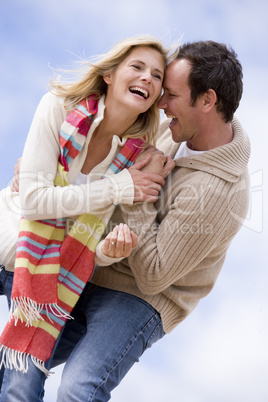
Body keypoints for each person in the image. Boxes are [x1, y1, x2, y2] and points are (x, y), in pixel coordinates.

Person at [3, 39, 251, 402]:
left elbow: (154, 274)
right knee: (15, 367)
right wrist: (44, 171)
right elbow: (99, 162)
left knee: (78, 389)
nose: (161, 104)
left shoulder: (220, 191)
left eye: (171, 95)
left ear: (208, 101)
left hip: (139, 296)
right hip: (90, 263)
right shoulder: (169, 127)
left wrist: (138, 193)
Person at [0, 34, 178, 400]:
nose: (147, 77)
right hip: (15, 248)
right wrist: (119, 187)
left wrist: (109, 253)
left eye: (157, 75)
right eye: (137, 67)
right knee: (20, 379)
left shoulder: (137, 155)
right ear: (110, 75)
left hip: (58, 273)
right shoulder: (58, 108)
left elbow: (87, 247)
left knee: (19, 378)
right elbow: (34, 201)